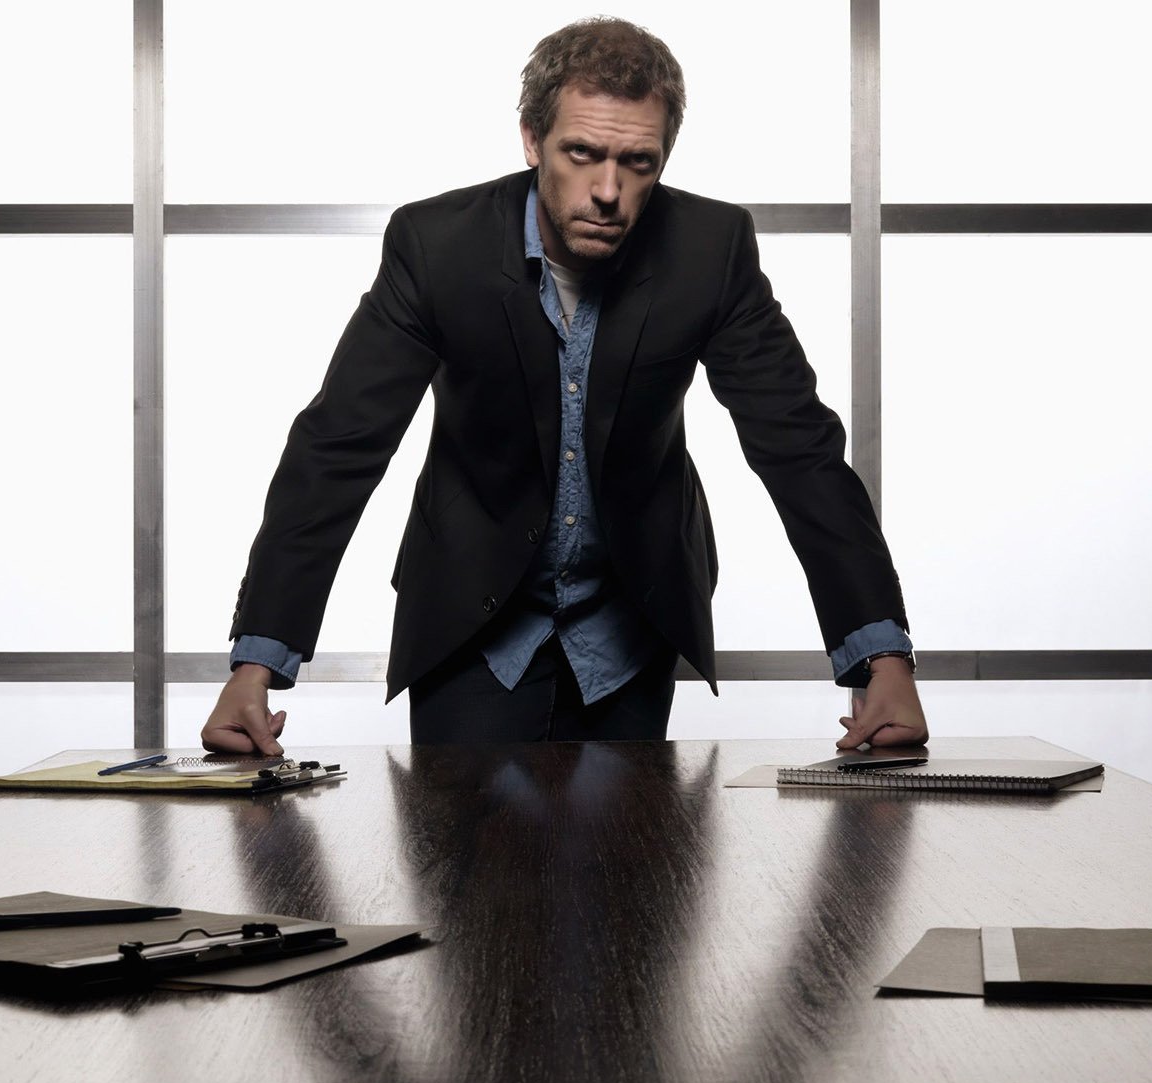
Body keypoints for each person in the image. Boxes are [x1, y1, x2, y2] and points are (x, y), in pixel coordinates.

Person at [202, 16, 927, 753]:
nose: (608, 190)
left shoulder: (711, 251)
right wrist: (258, 662)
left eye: (638, 162)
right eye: (581, 153)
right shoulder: (435, 247)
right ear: (530, 139)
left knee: (639, 865)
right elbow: (339, 446)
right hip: (472, 626)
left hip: (630, 624)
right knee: (458, 865)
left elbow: (798, 446)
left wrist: (881, 658)